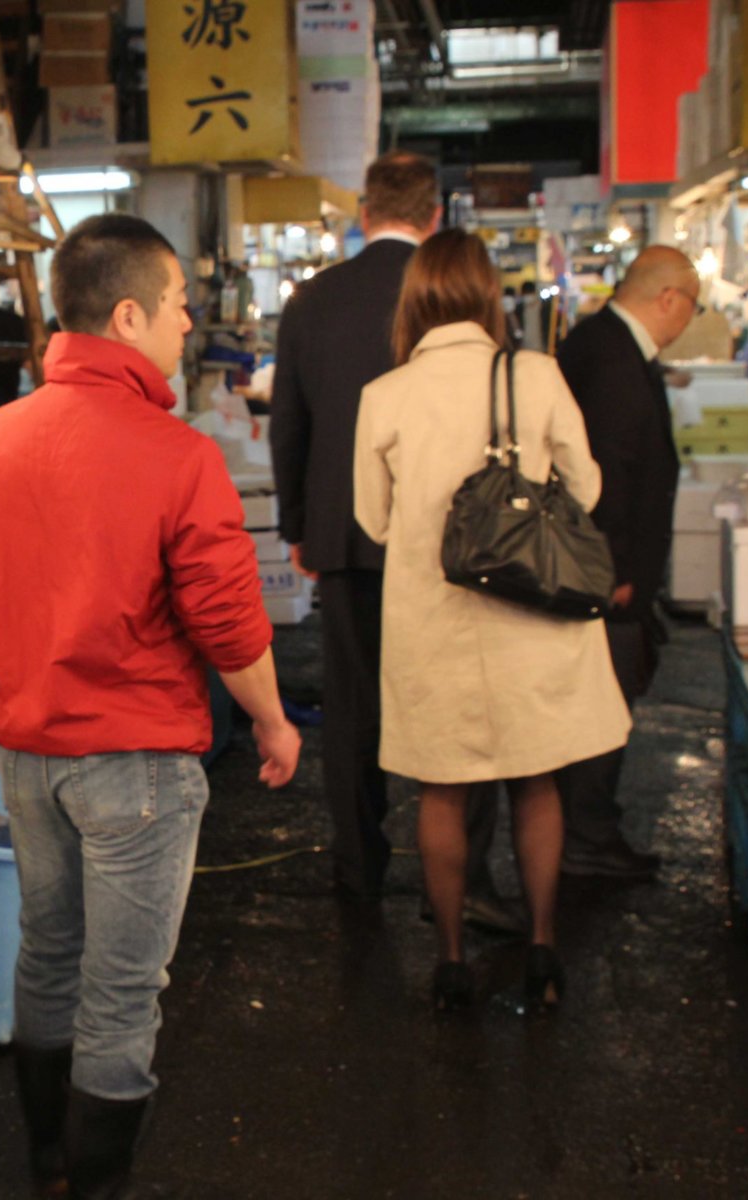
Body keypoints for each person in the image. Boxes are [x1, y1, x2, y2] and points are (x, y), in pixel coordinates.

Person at [0, 213, 301, 1198]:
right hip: (136, 768)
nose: (189, 326)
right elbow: (229, 623)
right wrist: (270, 717)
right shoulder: (176, 456)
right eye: (179, 307)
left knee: (49, 957)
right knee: (122, 993)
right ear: (129, 314)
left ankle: (49, 1165)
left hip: (30, 761)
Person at [352, 229, 631, 1010]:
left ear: (417, 300)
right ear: (486, 296)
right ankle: (542, 947)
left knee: (442, 794)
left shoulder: (386, 395)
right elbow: (587, 489)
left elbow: (371, 521)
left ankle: (448, 962)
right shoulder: (535, 375)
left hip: (432, 625)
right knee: (536, 782)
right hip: (532, 620)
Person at [269, 152, 517, 932]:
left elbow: (289, 426)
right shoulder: (456, 293)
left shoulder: (312, 299)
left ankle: (360, 868)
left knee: (353, 706)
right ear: (434, 214)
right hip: (455, 541)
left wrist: (299, 527)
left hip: (345, 536)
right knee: (461, 703)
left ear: (364, 211)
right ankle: (467, 876)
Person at [552, 246, 699, 879]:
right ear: (668, 299)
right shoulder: (610, 356)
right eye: (693, 305)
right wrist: (613, 570)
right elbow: (605, 478)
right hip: (602, 575)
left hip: (606, 571)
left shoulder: (608, 345)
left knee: (603, 705)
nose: (691, 318)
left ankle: (587, 828)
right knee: (600, 710)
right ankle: (585, 835)